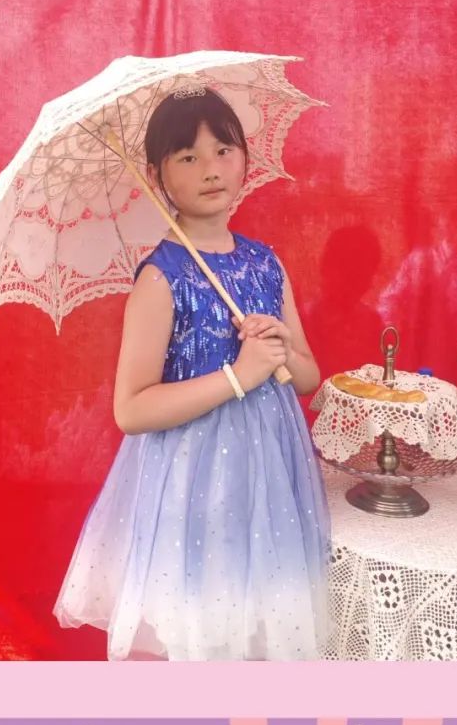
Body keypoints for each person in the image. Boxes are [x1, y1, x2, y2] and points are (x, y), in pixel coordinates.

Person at [53, 86, 331, 660]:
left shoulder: (265, 263)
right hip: (195, 478)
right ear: (158, 176)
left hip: (271, 474)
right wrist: (238, 377)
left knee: (263, 620)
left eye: (224, 150)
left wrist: (278, 347)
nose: (211, 169)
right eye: (188, 157)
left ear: (245, 159)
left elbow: (308, 380)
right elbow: (131, 409)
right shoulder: (162, 278)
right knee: (204, 624)